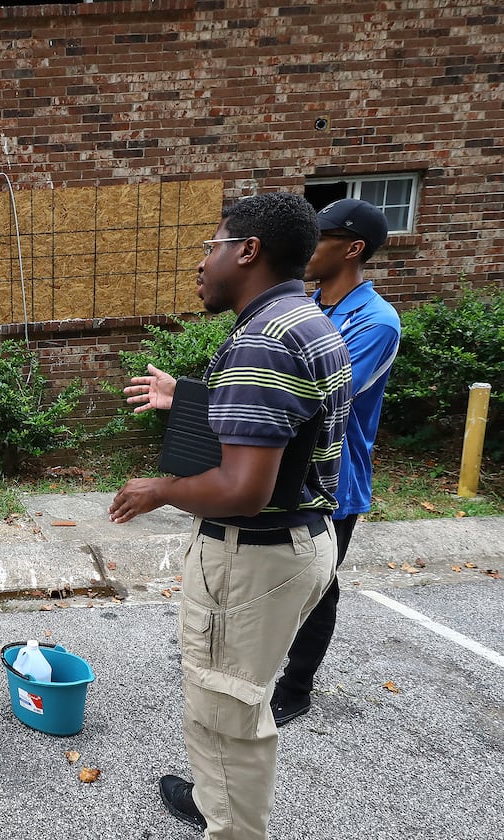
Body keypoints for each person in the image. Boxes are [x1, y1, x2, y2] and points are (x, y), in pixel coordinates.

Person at [107, 192, 352, 839]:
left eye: (210, 246)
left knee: (223, 713)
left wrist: (160, 489)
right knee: (236, 702)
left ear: (248, 251)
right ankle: (218, 801)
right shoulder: (307, 319)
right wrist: (185, 397)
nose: (201, 262)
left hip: (255, 555)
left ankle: (231, 826)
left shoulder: (263, 342)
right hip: (301, 544)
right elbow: (284, 428)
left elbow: (245, 488)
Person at [271, 198, 400, 726]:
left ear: (352, 248)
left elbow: (320, 394)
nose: (308, 247)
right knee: (279, 575)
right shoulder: (312, 308)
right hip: (286, 471)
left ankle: (296, 686)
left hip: (334, 482)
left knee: (319, 586)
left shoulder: (376, 322)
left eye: (319, 237)